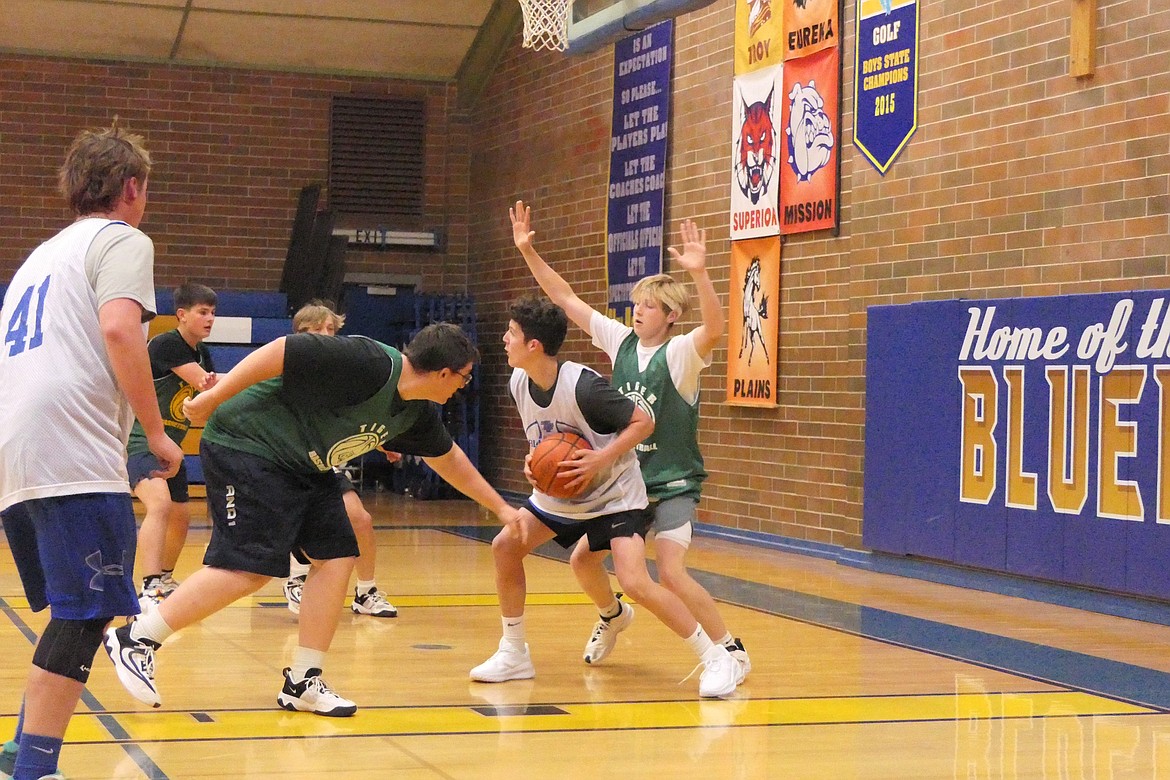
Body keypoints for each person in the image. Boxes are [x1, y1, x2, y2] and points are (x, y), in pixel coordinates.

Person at [102, 322, 521, 717]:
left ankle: (303, 681)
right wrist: (213, 397)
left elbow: (448, 459)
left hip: (305, 465)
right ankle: (136, 638)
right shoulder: (370, 362)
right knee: (247, 568)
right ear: (444, 373)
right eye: (465, 378)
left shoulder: (416, 412)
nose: (465, 387)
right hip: (248, 444)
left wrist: (501, 508)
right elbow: (282, 350)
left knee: (337, 557)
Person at [0, 120, 184, 780]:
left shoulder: (38, 260)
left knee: (77, 607)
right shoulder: (122, 239)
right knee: (88, 612)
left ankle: (21, 747)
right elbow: (119, 329)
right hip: (70, 449)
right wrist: (156, 431)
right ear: (132, 187)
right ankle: (35, 770)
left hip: (18, 452)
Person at [509, 200, 750, 678]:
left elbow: (718, 328)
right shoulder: (620, 342)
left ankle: (729, 649)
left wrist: (700, 275)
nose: (639, 311)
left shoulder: (681, 354)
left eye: (651, 306)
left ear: (671, 315)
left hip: (674, 483)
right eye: (637, 303)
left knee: (672, 572)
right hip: (628, 485)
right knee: (581, 561)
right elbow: (566, 299)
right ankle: (612, 618)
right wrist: (527, 252)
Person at [469, 296, 739, 699]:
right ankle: (514, 652)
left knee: (634, 580)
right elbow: (546, 442)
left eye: (511, 333)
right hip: (564, 496)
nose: (504, 339)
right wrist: (533, 464)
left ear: (534, 346)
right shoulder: (518, 382)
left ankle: (717, 657)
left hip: (615, 495)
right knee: (506, 546)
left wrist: (600, 459)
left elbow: (642, 422)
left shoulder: (584, 385)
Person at [281, 300, 397, 619]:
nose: (325, 334)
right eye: (316, 328)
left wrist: (383, 442)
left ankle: (366, 591)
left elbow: (357, 419)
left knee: (360, 519)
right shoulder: (283, 367)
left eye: (330, 328)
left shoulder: (342, 377)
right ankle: (296, 577)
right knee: (297, 520)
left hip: (322, 462)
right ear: (299, 335)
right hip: (282, 462)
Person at [128, 282, 218, 608]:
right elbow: (204, 383)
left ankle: (164, 577)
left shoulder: (203, 352)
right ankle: (149, 586)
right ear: (182, 314)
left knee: (181, 515)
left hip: (172, 446)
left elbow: (207, 399)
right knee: (160, 506)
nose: (210, 319)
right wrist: (258, 377)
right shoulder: (168, 344)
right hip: (141, 439)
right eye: (202, 312)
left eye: (213, 313)